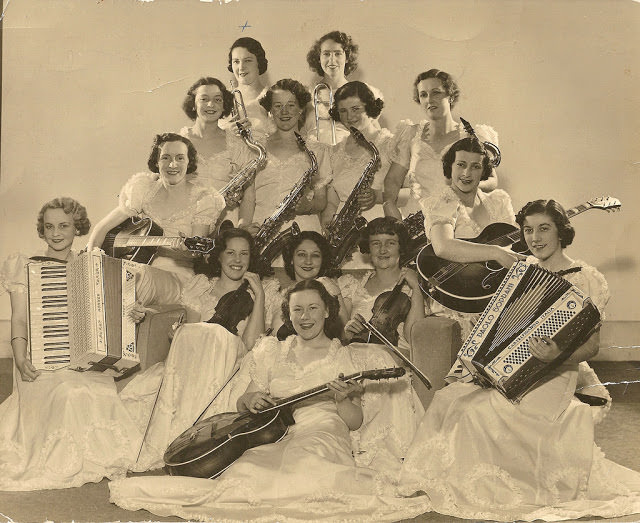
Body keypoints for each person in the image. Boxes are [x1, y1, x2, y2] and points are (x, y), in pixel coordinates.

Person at [108, 279, 431, 522]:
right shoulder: (273, 351)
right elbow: (242, 402)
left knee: (307, 472)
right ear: (288, 315)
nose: (305, 317)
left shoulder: (342, 357)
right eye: (297, 310)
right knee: (247, 474)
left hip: (322, 428)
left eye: (313, 308)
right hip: (274, 431)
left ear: (328, 310)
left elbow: (354, 421)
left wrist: (343, 399)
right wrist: (253, 400)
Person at [397, 199, 640, 522]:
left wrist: (557, 354)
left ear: (561, 232)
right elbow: (498, 326)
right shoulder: (519, 271)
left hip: (555, 375)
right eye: (527, 230)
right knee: (449, 398)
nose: (535, 238)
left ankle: (489, 489)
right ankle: (444, 482)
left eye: (544, 229)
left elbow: (591, 346)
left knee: (476, 411)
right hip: (511, 372)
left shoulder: (588, 278)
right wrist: (480, 361)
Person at [0, 198, 140, 490]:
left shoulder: (94, 266)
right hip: (39, 361)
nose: (56, 233)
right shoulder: (24, 266)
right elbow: (19, 320)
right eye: (49, 226)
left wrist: (132, 314)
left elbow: (111, 314)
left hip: (84, 362)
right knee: (69, 393)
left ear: (77, 228)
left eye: (64, 225)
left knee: (93, 393)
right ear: (42, 230)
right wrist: (19, 357)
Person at [119, 227, 280, 471]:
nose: (237, 260)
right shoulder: (201, 286)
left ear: (251, 258)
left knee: (217, 334)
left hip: (228, 365)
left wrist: (258, 297)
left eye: (244, 254)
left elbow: (250, 345)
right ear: (219, 256)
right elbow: (190, 332)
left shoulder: (262, 291)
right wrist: (179, 332)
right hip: (192, 365)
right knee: (203, 332)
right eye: (231, 253)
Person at [419, 136, 523, 337]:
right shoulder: (441, 202)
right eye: (461, 165)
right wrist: (496, 252)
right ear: (450, 167)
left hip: (498, 291)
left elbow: (516, 245)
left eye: (475, 167)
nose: (467, 173)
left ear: (484, 171)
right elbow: (443, 246)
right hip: (459, 300)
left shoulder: (499, 201)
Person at [87, 133, 225, 281]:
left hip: (176, 276)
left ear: (189, 162)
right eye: (165, 158)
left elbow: (195, 253)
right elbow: (101, 228)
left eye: (180, 158)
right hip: (133, 269)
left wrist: (185, 250)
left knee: (130, 279)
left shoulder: (203, 199)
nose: (173, 164)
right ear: (156, 162)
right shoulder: (144, 190)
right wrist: (92, 261)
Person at [383, 69, 499, 220]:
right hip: (417, 222)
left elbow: (492, 181)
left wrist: (467, 187)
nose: (429, 100)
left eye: (436, 92)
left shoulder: (471, 135)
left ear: (450, 96)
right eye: (423, 95)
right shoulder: (411, 134)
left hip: (459, 220)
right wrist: (390, 209)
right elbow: (392, 180)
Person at [243, 79, 332, 235]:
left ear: (301, 109)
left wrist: (308, 206)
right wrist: (244, 228)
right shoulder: (256, 148)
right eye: (278, 106)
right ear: (270, 111)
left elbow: (321, 199)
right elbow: (248, 198)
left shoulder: (317, 149)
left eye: (291, 105)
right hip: (262, 230)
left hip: (303, 232)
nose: (284, 112)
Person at [178, 77, 263, 227]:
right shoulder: (178, 141)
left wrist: (242, 227)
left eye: (218, 100)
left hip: (223, 227)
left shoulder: (237, 144)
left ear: (224, 106)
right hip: (181, 223)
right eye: (204, 99)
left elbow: (249, 193)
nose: (211, 104)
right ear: (193, 104)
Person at [341, 217, 425, 358]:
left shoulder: (412, 287)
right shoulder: (351, 286)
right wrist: (347, 332)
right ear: (368, 247)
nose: (382, 250)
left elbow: (414, 339)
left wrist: (417, 288)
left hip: (392, 360)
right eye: (376, 244)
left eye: (390, 243)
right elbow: (340, 338)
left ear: (400, 247)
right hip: (355, 355)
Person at [323, 81, 392, 251]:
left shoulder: (389, 144)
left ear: (369, 108)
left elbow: (409, 193)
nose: (349, 117)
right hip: (344, 235)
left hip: (379, 231)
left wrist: (377, 196)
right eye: (343, 111)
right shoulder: (335, 151)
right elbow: (332, 201)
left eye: (356, 109)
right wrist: (327, 225)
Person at [303, 30, 383, 144]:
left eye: (338, 53)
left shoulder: (363, 92)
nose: (332, 60)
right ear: (318, 58)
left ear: (347, 58)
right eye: (326, 54)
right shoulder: (307, 95)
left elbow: (375, 136)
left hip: (350, 158)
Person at [270, 230, 349, 337]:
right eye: (302, 254)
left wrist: (337, 294)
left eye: (315, 255)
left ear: (322, 260)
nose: (308, 261)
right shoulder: (280, 297)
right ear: (291, 259)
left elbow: (345, 336)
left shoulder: (332, 289)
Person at [221, 37, 270, 133]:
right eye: (236, 61)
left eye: (247, 60)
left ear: (259, 63)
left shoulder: (272, 97)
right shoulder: (222, 98)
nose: (241, 67)